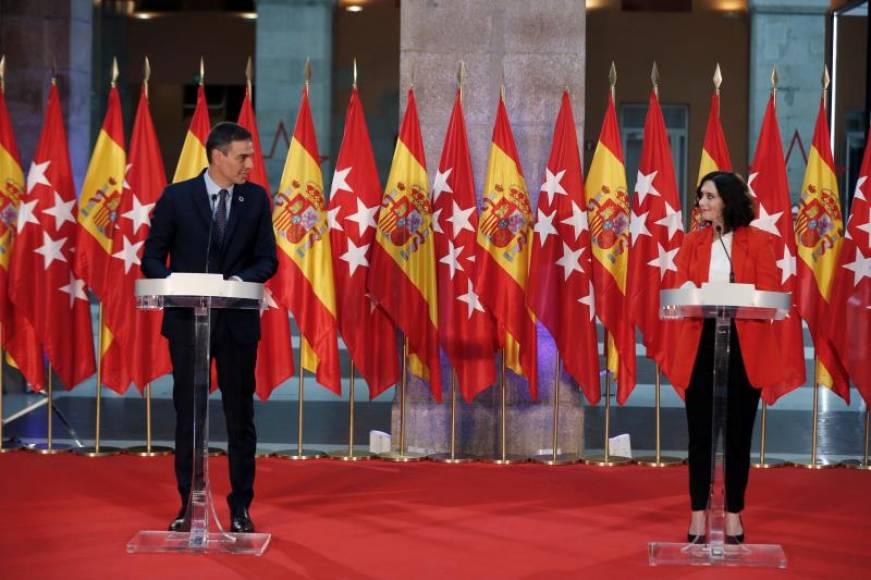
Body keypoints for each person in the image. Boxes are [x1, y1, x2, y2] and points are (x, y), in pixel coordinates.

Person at [142, 122, 278, 534]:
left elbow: (267, 259)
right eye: (242, 156)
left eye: (250, 156)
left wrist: (237, 282)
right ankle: (189, 504)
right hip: (189, 323)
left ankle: (240, 508)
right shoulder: (176, 197)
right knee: (188, 416)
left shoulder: (255, 199)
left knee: (240, 416)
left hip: (237, 323)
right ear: (218, 156)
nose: (250, 164)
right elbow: (151, 258)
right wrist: (175, 285)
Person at [667, 171, 782, 545]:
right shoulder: (692, 242)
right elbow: (680, 287)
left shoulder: (759, 242)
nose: (701, 203)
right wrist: (688, 290)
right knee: (700, 435)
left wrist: (739, 296)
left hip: (744, 347)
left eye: (709, 196)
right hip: (701, 344)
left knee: (737, 436)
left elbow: (770, 293)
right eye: (700, 196)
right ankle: (697, 512)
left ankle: (733, 513)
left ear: (728, 201)